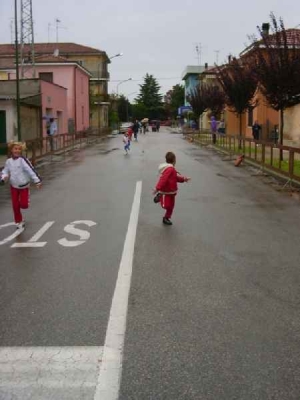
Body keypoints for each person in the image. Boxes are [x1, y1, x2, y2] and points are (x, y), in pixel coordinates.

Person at [0, 141, 42, 229]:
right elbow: (4, 171)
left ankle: (26, 199)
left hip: (24, 186)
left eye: (19, 149)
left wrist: (37, 181)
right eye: (15, 149)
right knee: (15, 206)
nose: (17, 151)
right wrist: (3, 177)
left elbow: (31, 170)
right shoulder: (8, 161)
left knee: (24, 205)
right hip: (13, 186)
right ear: (11, 150)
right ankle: (18, 221)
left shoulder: (23, 160)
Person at [153, 151, 190, 226]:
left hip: (172, 192)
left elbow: (176, 178)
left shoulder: (172, 169)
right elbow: (163, 179)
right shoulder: (169, 169)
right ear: (174, 160)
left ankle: (166, 218)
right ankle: (160, 197)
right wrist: (157, 188)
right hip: (166, 192)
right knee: (166, 206)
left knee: (171, 207)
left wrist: (184, 179)